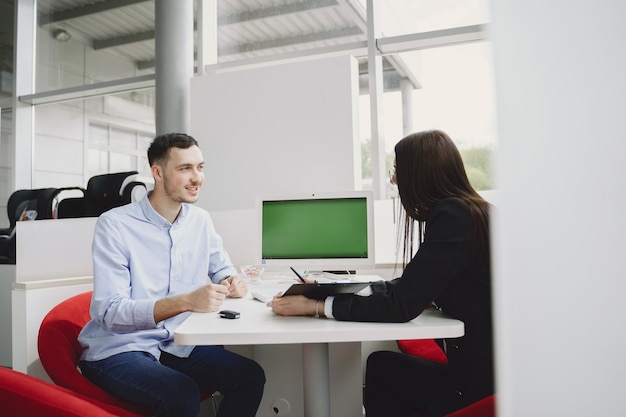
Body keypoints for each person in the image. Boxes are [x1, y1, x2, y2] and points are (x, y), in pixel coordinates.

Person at [269, 130, 493, 417]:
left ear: (418, 174)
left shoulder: (454, 216)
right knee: (381, 365)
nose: (393, 180)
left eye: (397, 171)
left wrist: (316, 306)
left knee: (381, 369)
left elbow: (402, 304)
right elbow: (416, 285)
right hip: (492, 376)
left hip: (477, 391)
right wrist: (330, 289)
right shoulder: (475, 212)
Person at [78, 132, 265, 417]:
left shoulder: (200, 220)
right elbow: (110, 312)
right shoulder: (115, 225)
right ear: (158, 172)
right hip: (119, 348)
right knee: (181, 393)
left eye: (200, 167)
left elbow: (221, 268)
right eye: (185, 168)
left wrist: (231, 280)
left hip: (173, 343)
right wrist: (187, 301)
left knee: (249, 376)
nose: (197, 178)